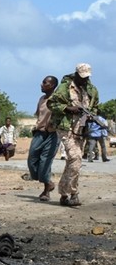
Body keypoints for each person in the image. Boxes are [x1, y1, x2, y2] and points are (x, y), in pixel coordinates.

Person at [48, 63, 100, 206]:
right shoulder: (65, 87)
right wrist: (68, 108)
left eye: (87, 77)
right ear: (76, 74)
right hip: (65, 128)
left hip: (81, 130)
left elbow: (95, 107)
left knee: (72, 162)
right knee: (75, 158)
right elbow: (51, 104)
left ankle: (63, 194)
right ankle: (73, 193)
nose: (84, 80)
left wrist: (91, 115)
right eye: (82, 77)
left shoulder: (92, 90)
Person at [27, 76, 59, 201]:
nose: (42, 84)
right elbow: (39, 115)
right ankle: (48, 182)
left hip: (52, 133)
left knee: (45, 161)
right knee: (32, 159)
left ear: (52, 85)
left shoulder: (57, 100)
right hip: (39, 133)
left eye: (45, 83)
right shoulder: (41, 99)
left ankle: (46, 191)